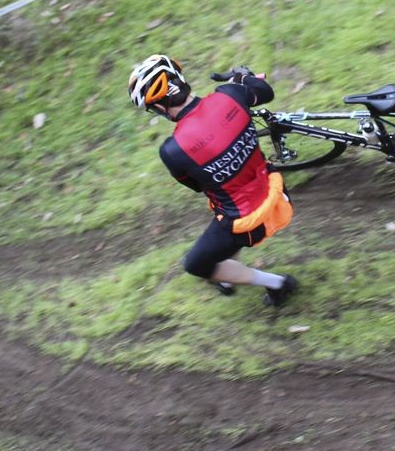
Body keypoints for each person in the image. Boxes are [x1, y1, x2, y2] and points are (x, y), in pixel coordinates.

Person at [128, 54, 299, 307]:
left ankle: (279, 284)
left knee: (196, 264)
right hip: (275, 191)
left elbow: (199, 186)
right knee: (218, 236)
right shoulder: (230, 94)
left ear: (161, 108)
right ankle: (228, 274)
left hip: (244, 222)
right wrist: (243, 79)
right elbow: (264, 91)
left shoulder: (172, 151)